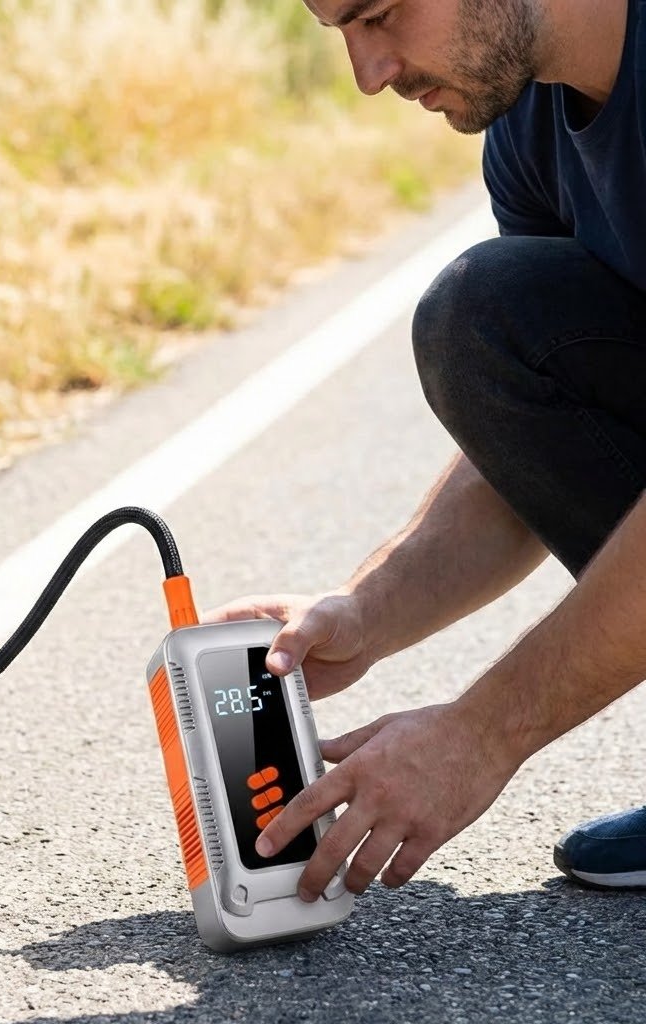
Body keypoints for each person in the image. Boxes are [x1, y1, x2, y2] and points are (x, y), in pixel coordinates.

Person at [205, 0, 646, 903]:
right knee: (483, 317)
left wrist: (479, 735)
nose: (369, 74)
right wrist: (370, 609)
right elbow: (541, 427)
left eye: (379, 15)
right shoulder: (532, 129)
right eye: (342, 35)